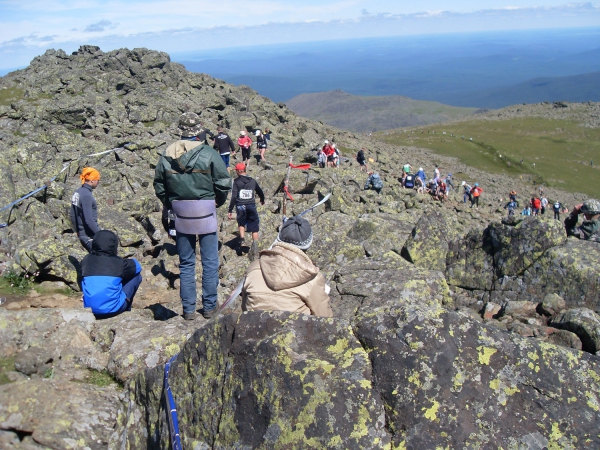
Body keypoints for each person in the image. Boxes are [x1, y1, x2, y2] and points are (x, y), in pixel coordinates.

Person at [154, 117, 232, 320]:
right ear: (199, 131)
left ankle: (188, 310)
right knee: (210, 261)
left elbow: (159, 185)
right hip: (206, 210)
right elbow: (223, 182)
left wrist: (171, 203)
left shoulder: (167, 154)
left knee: (186, 263)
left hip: (181, 212)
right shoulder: (209, 153)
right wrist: (218, 201)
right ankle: (208, 307)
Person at [242, 216, 333, 317]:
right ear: (308, 243)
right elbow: (325, 318)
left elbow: (244, 307)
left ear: (279, 237)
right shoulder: (312, 277)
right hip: (295, 330)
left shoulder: (254, 268)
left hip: (253, 328)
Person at [81, 230, 142, 319]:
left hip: (90, 309)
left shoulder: (86, 260)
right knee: (136, 276)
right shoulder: (119, 263)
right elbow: (138, 267)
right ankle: (127, 309)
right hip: (113, 309)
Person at [228, 163, 265, 261]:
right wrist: (262, 199)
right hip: (251, 205)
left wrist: (230, 209)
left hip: (240, 206)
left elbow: (234, 196)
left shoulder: (236, 182)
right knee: (254, 226)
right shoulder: (252, 181)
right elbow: (259, 191)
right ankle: (255, 245)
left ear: (237, 171)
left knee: (241, 223)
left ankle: (242, 240)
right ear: (245, 170)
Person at [70, 167, 101, 252]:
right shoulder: (87, 196)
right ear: (92, 181)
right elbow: (89, 220)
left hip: (82, 234)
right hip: (89, 236)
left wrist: (77, 231)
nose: (98, 182)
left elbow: (73, 215)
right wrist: (100, 234)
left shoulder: (77, 192)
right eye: (98, 180)